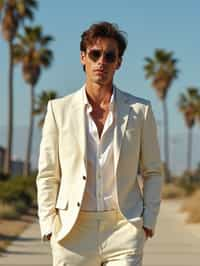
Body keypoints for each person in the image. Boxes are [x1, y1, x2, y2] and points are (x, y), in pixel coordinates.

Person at [36, 21, 163, 266]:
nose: (101, 61)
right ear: (83, 57)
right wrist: (48, 225)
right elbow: (48, 174)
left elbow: (153, 171)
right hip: (72, 231)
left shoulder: (140, 111)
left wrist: (148, 221)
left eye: (109, 55)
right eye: (95, 54)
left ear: (119, 62)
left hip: (123, 228)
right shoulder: (58, 110)